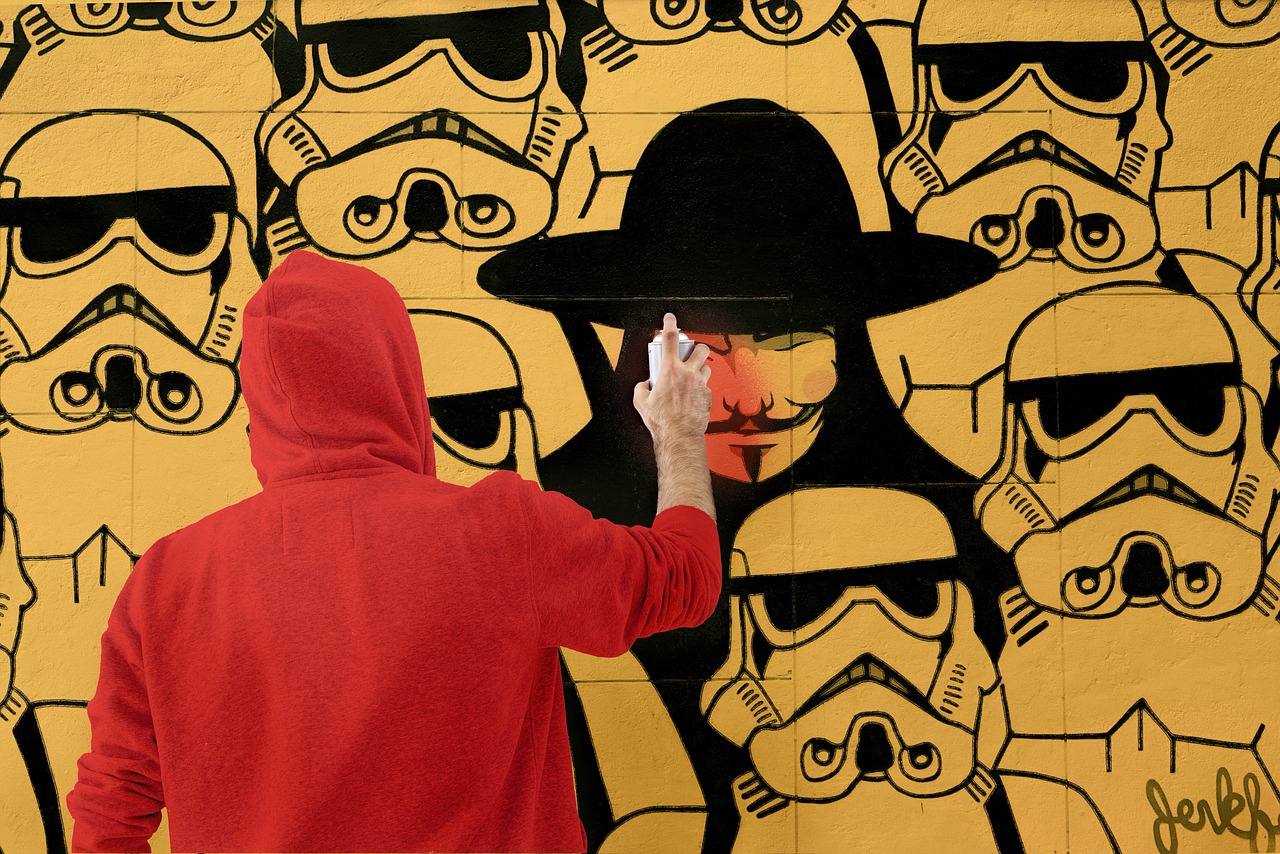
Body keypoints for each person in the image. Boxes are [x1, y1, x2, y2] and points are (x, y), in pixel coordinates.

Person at [65, 250, 722, 853]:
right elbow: (687, 578)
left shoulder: (166, 579)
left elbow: (109, 815)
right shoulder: (502, 532)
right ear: (394, 371)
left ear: (256, 396)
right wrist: (679, 431)